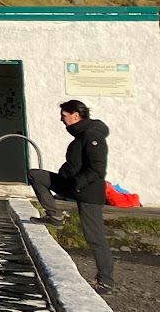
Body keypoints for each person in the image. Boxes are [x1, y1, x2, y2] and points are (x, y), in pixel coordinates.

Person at [29, 99, 116, 294]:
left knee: (94, 237)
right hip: (71, 185)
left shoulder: (93, 136)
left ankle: (106, 282)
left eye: (64, 115)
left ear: (75, 115)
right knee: (35, 175)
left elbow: (97, 169)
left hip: (88, 193)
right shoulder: (80, 135)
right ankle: (54, 215)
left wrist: (77, 183)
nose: (61, 119)